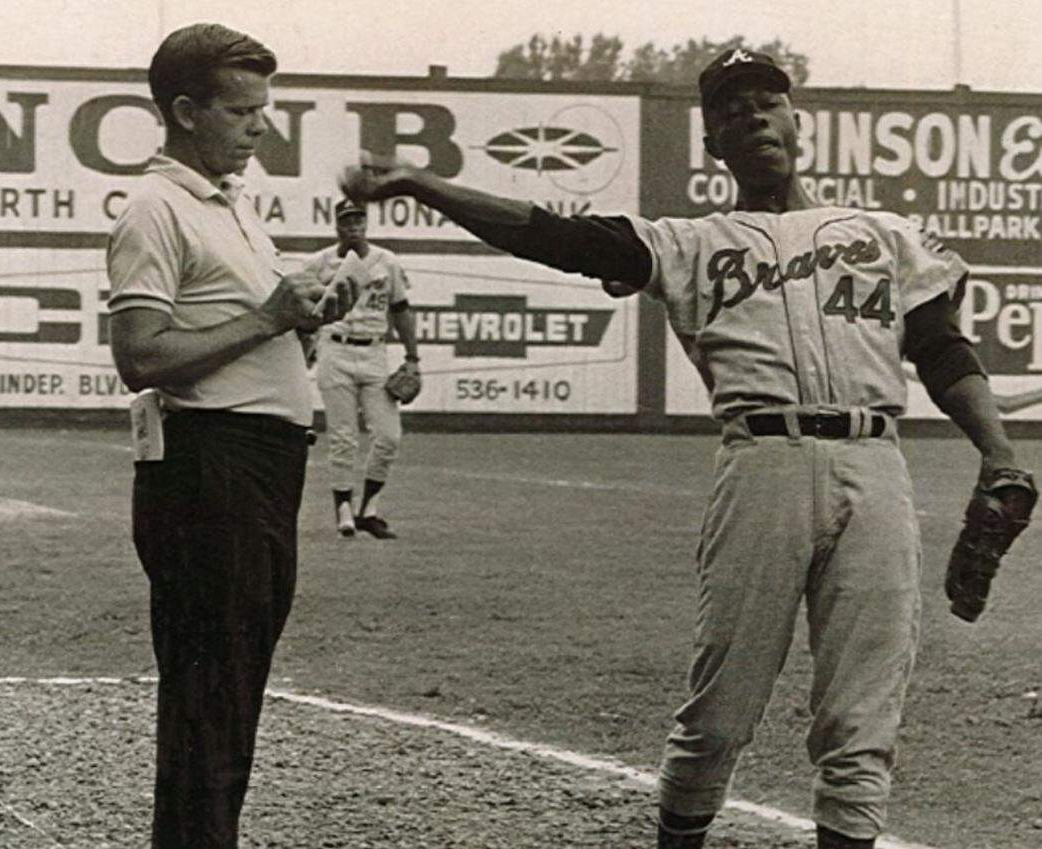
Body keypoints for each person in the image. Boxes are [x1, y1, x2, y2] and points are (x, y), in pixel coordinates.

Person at [339, 48, 1026, 849]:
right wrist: (425, 185)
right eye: (734, 112)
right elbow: (553, 237)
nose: (756, 118)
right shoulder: (690, 242)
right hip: (762, 464)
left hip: (877, 468)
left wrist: (1000, 452)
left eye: (769, 102)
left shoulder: (883, 235)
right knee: (721, 710)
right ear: (713, 144)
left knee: (863, 713)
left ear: (796, 120)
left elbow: (942, 349)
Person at [106, 23, 356, 849]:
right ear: (184, 111)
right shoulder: (155, 208)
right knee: (211, 692)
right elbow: (141, 355)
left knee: (231, 686)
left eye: (264, 109)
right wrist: (269, 315)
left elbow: (248, 332)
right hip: (211, 468)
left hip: (259, 465)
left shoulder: (230, 207)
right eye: (242, 110)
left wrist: (305, 318)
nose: (260, 126)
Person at [305, 198, 420, 539]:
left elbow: (400, 309)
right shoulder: (319, 262)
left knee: (388, 436)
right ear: (337, 225)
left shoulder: (386, 261)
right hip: (335, 348)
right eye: (347, 221)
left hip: (374, 351)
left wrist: (412, 358)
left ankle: (368, 509)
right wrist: (307, 346)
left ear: (366, 224)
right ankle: (343, 508)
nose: (353, 227)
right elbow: (304, 309)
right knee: (343, 436)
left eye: (358, 220)